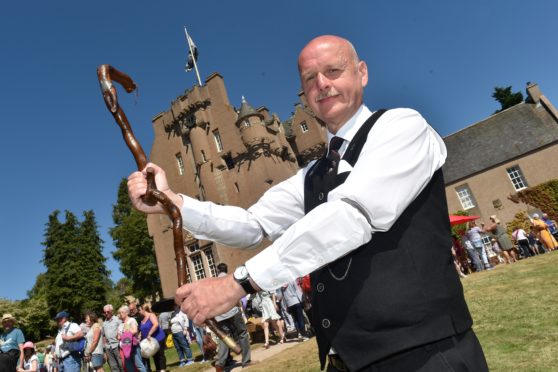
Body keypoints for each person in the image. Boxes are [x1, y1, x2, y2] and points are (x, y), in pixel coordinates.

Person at [128, 35, 488, 371]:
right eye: (310, 77)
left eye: (334, 71)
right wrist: (171, 202)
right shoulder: (311, 175)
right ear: (303, 90)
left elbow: (352, 215)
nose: (322, 84)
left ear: (361, 73)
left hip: (426, 355)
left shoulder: (402, 127)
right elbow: (252, 224)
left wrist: (238, 283)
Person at [211, 263, 252, 371]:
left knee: (225, 337)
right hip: (232, 310)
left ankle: (220, 363)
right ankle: (246, 361)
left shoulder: (213, 283)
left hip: (220, 313)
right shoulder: (231, 279)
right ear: (227, 269)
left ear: (217, 271)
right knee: (242, 333)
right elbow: (237, 293)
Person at [117, 305, 146, 372]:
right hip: (125, 347)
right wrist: (120, 336)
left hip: (133, 346)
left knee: (139, 365)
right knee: (129, 367)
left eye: (121, 312)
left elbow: (135, 330)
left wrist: (125, 334)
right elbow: (118, 336)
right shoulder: (121, 324)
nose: (120, 314)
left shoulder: (131, 320)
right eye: (119, 313)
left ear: (127, 312)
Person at [138, 304, 166, 372]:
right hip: (150, 340)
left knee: (160, 355)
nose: (138, 312)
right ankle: (158, 369)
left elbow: (156, 324)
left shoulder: (151, 315)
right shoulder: (142, 319)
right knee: (154, 355)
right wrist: (140, 335)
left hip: (158, 338)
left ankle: (162, 369)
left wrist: (149, 333)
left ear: (143, 309)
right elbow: (142, 329)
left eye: (139, 310)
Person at [102, 304, 124, 372]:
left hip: (117, 346)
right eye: (105, 312)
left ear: (112, 311)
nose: (106, 313)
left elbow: (123, 330)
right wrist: (105, 347)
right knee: (113, 367)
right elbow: (104, 336)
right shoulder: (104, 323)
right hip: (108, 347)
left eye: (108, 311)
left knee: (122, 365)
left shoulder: (117, 320)